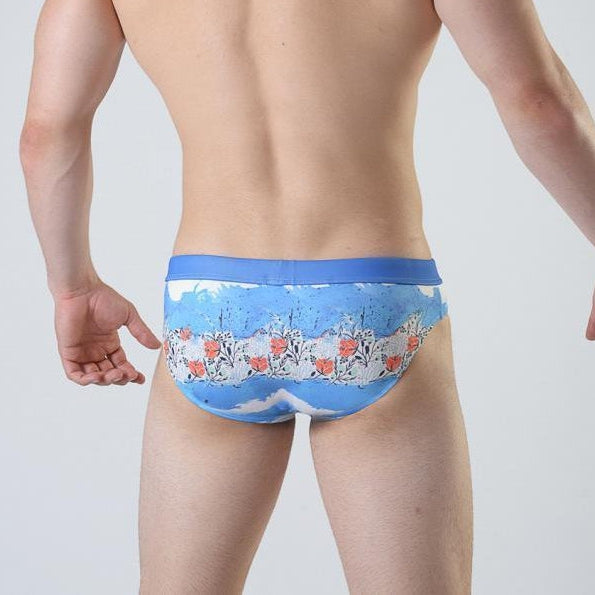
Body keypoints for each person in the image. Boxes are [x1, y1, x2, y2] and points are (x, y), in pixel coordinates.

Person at [18, 0, 595, 593]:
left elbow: (47, 134)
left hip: (212, 316)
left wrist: (72, 286)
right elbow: (539, 103)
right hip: (371, 308)